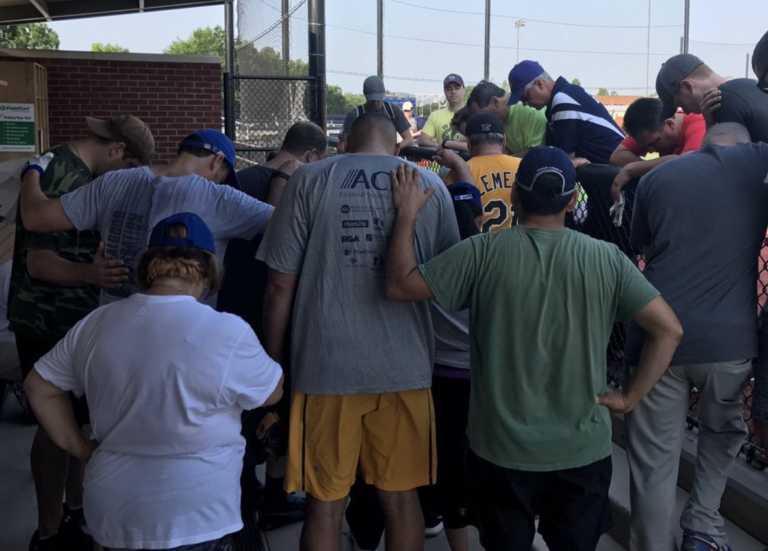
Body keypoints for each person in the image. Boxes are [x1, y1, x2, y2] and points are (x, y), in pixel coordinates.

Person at [384, 145, 683, 551]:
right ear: (570, 200)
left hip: (499, 450)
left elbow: (400, 285)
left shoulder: (482, 252)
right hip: (581, 450)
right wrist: (631, 397)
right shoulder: (606, 258)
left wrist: (406, 214)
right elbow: (669, 330)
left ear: (515, 196)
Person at [257, 114, 460, 551]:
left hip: (325, 369)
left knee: (324, 504)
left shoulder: (309, 180)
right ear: (398, 148)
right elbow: (446, 283)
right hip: (406, 369)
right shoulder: (431, 187)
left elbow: (278, 286)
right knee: (403, 502)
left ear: (344, 142)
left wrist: (272, 363)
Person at [23, 212, 284, 551]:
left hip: (115, 512)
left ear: (147, 266)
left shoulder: (97, 323)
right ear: (208, 269)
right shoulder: (228, 331)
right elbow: (271, 393)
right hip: (198, 513)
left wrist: (80, 447)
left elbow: (38, 386)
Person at [9, 115, 154, 551]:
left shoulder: (66, 168)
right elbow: (39, 262)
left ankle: (74, 514)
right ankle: (50, 531)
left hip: (70, 319)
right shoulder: (66, 176)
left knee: (78, 422)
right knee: (54, 428)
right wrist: (92, 273)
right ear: (116, 152)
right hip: (47, 318)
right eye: (127, 168)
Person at [624, 123, 768, 551]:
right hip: (730, 338)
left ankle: (651, 544)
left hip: (656, 335)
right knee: (722, 435)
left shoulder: (659, 177)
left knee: (653, 456)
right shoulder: (754, 168)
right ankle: (702, 527)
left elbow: (641, 248)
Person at [217, 121, 327, 532]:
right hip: (280, 311)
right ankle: (279, 493)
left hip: (232, 307)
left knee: (236, 411)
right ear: (312, 156)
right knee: (281, 403)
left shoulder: (239, 180)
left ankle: (242, 495)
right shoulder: (308, 185)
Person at [17, 129, 273, 305]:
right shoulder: (220, 198)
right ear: (217, 161)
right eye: (223, 174)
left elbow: (35, 217)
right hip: (186, 335)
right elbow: (289, 223)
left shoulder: (112, 182)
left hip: (115, 326)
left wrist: (33, 171)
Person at [507, 60, 625, 165]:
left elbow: (564, 162)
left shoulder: (562, 101)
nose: (525, 104)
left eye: (526, 97)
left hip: (616, 170)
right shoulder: (566, 94)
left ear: (540, 84)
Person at [609, 97, 705, 202]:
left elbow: (689, 162)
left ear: (670, 124)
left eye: (654, 144)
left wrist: (632, 169)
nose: (650, 151)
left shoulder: (697, 122)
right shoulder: (647, 132)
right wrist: (648, 167)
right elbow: (617, 156)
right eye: (645, 147)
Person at [656, 53, 768, 142]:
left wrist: (711, 126)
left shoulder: (721, 103)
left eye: (681, 105)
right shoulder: (750, 85)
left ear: (687, 87)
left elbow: (717, 166)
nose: (686, 112)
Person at [463, 112, 522, 232]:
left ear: (468, 144)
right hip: (519, 246)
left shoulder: (461, 171)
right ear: (504, 140)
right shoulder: (523, 166)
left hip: (479, 248)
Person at [465, 80, 546, 156]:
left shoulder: (530, 111)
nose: (481, 121)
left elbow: (536, 154)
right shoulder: (499, 120)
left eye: (483, 115)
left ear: (495, 101)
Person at [341, 76, 414, 150]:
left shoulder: (394, 111)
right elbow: (343, 143)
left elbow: (408, 138)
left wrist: (396, 148)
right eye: (372, 100)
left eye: (378, 99)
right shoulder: (354, 115)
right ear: (365, 95)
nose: (375, 103)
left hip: (386, 156)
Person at [419, 73, 466, 146]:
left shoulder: (475, 114)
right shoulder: (435, 115)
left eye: (457, 88)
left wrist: (447, 145)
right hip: (443, 157)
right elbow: (423, 140)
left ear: (464, 89)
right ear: (444, 92)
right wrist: (439, 147)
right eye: (449, 89)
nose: (453, 91)